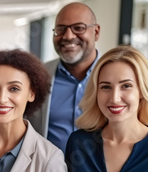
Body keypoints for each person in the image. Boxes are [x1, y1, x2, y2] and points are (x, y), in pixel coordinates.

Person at [28, 2, 100, 151]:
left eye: (79, 28)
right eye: (60, 29)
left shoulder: (116, 77)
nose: (68, 36)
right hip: (48, 171)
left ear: (96, 32)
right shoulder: (36, 75)